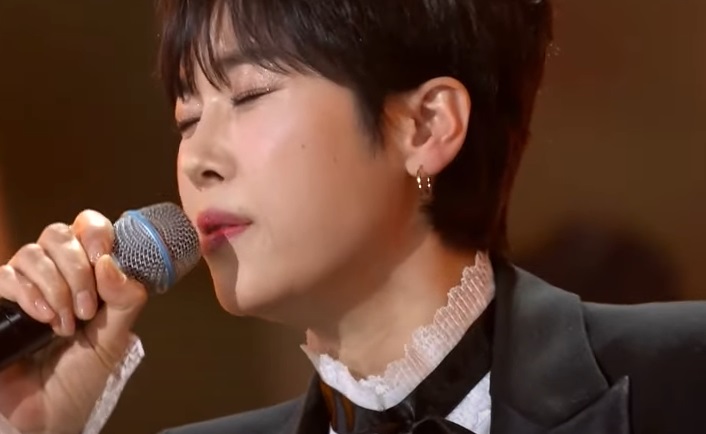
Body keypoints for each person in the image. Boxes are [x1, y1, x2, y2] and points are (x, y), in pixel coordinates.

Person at [1, 1, 705, 433]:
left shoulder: (681, 380)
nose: (197, 161)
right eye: (187, 118)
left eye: (248, 95)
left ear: (425, 125)